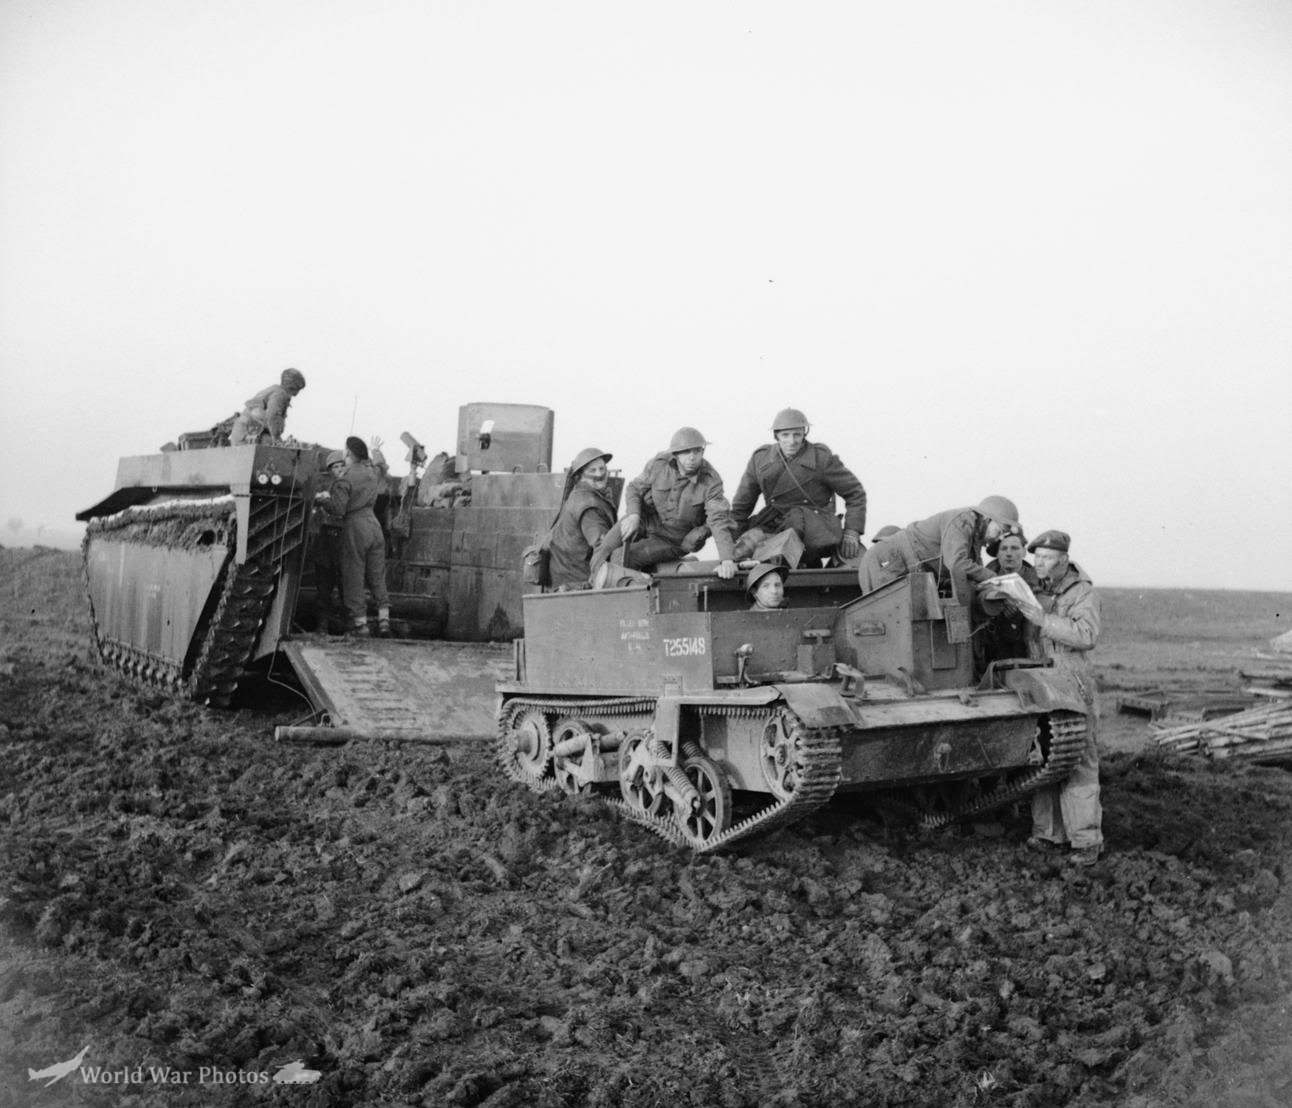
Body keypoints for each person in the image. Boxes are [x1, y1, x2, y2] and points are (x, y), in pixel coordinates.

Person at [1015, 530, 1103, 867]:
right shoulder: (1035, 590)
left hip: (1071, 679)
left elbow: (1087, 634)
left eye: (1047, 557)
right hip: (1041, 682)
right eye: (1036, 557)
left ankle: (1085, 841)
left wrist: (1043, 620)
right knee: (1044, 761)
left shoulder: (1083, 593)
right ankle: (1048, 834)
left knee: (1078, 762)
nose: (1039, 562)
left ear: (1064, 560)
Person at [731, 408, 867, 566]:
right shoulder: (761, 460)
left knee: (792, 529)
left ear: (804, 434)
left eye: (797, 434)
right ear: (776, 436)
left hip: (813, 527)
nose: (792, 441)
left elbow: (855, 493)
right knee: (745, 546)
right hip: (774, 522)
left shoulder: (821, 459)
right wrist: (732, 539)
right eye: (785, 435)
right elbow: (742, 505)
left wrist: (852, 531)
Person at [607, 428, 738, 580]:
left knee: (624, 557)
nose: (692, 457)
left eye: (697, 451)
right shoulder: (660, 464)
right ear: (675, 454)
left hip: (672, 540)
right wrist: (634, 515)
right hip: (646, 523)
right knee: (606, 548)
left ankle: (630, 597)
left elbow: (718, 520)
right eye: (686, 452)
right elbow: (635, 488)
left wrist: (727, 559)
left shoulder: (710, 480)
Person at [856, 496, 1021, 601]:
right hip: (887, 562)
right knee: (886, 621)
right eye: (998, 531)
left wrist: (990, 584)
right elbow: (957, 563)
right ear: (987, 519)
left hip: (909, 569)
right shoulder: (961, 521)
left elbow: (973, 569)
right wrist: (993, 577)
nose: (996, 538)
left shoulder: (975, 534)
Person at [319, 436, 391, 637]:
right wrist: (376, 451)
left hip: (355, 527)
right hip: (374, 526)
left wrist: (322, 500)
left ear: (348, 453)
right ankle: (384, 620)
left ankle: (361, 625)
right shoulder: (371, 473)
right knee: (377, 574)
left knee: (354, 576)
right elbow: (381, 467)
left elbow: (338, 509)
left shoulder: (345, 478)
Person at [548, 448, 618, 590]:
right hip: (577, 579)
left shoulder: (580, 494)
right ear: (581, 475)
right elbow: (602, 545)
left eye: (602, 468)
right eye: (592, 471)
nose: (599, 474)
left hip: (565, 574)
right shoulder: (588, 505)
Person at [975, 529, 1041, 668]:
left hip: (1028, 654)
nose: (1009, 553)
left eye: (1015, 548)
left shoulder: (1040, 582)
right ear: (997, 554)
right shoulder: (982, 582)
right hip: (991, 653)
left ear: (1023, 552)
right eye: (1004, 549)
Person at [311, 450, 348, 633]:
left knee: (345, 586)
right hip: (326, 537)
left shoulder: (350, 486)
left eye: (342, 465)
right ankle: (322, 625)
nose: (340, 469)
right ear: (330, 470)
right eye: (335, 467)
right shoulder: (325, 485)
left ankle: (348, 626)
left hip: (344, 537)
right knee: (324, 584)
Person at [228, 368, 306, 445]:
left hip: (247, 432)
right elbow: (273, 416)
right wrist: (276, 438)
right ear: (293, 386)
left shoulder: (276, 390)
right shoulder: (280, 395)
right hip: (248, 434)